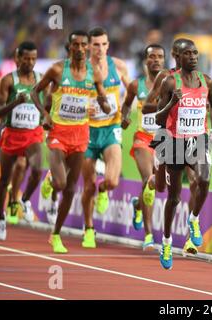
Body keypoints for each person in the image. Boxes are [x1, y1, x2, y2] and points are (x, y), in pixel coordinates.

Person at [31, 30, 111, 253]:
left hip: (81, 135)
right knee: (61, 183)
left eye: (83, 45)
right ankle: (50, 181)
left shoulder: (94, 73)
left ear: (87, 47)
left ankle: (55, 235)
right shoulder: (58, 69)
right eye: (75, 44)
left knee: (70, 188)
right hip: (58, 133)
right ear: (70, 47)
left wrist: (104, 106)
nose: (80, 48)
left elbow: (102, 98)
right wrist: (44, 115)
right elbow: (34, 93)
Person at [155, 39, 212, 269]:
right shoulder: (170, 82)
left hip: (198, 139)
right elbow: (158, 119)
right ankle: (167, 241)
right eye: (188, 54)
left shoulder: (206, 81)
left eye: (195, 53)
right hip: (174, 142)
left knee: (205, 178)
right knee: (173, 198)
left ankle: (193, 220)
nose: (193, 57)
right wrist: (171, 102)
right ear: (178, 58)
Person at [143, 38, 199, 255]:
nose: (188, 57)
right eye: (182, 53)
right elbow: (148, 106)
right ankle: (146, 190)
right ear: (176, 55)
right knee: (161, 187)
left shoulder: (197, 80)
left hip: (191, 138)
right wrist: (169, 104)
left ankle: (189, 238)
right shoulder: (166, 78)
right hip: (167, 136)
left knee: (196, 181)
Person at [79, 27, 130, 249]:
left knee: (112, 180)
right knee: (88, 184)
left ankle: (104, 190)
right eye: (96, 44)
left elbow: (132, 89)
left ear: (108, 45)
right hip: (87, 131)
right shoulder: (81, 70)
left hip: (111, 128)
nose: (100, 49)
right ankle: (89, 229)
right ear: (89, 46)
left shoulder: (118, 66)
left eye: (103, 44)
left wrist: (125, 111)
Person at [0, 41, 46, 236]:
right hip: (12, 134)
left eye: (33, 59)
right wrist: (16, 102)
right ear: (18, 58)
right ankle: (1, 217)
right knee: (4, 179)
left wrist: (46, 117)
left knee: (36, 171)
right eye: (26, 58)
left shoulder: (41, 80)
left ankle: (24, 200)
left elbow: (46, 105)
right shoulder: (8, 80)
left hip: (33, 133)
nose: (30, 62)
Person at [121, 44, 165, 250]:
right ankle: (149, 235)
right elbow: (126, 105)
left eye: (160, 57)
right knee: (149, 181)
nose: (156, 60)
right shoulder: (135, 85)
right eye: (152, 57)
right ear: (146, 61)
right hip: (142, 139)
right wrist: (125, 117)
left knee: (156, 185)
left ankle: (137, 205)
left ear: (164, 61)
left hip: (165, 141)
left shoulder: (171, 84)